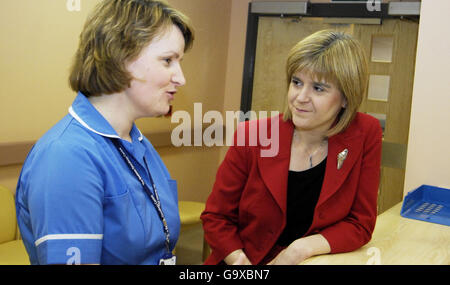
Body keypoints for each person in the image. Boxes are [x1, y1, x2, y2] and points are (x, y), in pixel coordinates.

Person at [15, 0, 194, 265]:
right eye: (168, 60)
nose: (181, 78)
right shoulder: (67, 157)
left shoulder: (136, 143)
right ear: (120, 58)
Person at [200, 30, 382, 265]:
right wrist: (239, 262)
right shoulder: (253, 135)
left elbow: (360, 222)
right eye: (297, 83)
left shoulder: (366, 132)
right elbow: (216, 216)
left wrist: (302, 248)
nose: (300, 97)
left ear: (346, 97)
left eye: (318, 88)